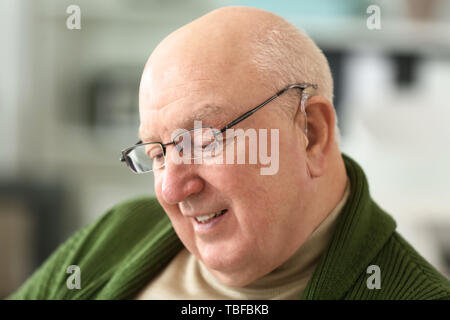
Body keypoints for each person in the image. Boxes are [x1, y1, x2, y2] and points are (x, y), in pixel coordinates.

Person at [8, 6, 450, 300]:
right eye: (157, 152)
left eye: (203, 138)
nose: (171, 188)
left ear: (311, 132)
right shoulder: (116, 235)